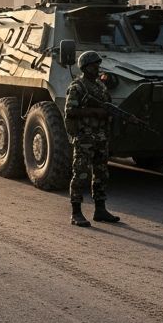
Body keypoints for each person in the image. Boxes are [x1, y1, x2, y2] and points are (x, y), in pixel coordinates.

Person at [64, 50, 120, 227]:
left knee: (101, 173)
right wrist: (94, 112)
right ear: (86, 67)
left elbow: (108, 107)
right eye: (95, 65)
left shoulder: (101, 87)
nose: (98, 68)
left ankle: (100, 209)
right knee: (80, 173)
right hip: (85, 137)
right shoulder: (77, 87)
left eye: (98, 65)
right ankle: (76, 212)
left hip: (100, 137)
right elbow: (70, 111)